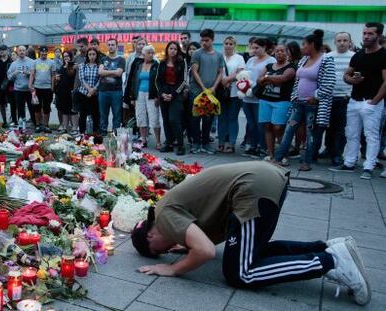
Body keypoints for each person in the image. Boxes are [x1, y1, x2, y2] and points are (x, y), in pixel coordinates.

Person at [131, 161, 371, 307]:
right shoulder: (166, 209)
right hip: (259, 183)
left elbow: (205, 251)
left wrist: (173, 269)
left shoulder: (164, 216)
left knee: (240, 273)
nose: (169, 249)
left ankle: (331, 261)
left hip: (252, 190)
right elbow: (203, 240)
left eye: (161, 251)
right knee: (250, 253)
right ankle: (326, 248)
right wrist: (187, 245)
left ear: (151, 236)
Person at [330, 23, 386, 180]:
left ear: (379, 36)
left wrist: (374, 102)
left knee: (371, 136)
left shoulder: (383, 55)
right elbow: (346, 75)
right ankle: (349, 163)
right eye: (364, 33)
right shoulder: (358, 55)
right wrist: (353, 80)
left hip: (371, 102)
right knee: (351, 134)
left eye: (370, 33)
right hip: (354, 100)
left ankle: (369, 166)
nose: (366, 36)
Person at [275, 30, 336, 171]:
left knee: (311, 134)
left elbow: (329, 82)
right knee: (289, 130)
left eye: (304, 44)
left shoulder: (326, 59)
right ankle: (278, 158)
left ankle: (307, 161)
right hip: (298, 102)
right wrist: (295, 96)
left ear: (312, 44)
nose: (302, 47)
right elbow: (298, 80)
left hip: (313, 105)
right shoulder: (303, 60)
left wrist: (316, 96)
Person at [319, 32, 355, 166]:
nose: (342, 43)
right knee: (329, 126)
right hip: (329, 97)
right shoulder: (327, 57)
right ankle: (328, 149)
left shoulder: (354, 57)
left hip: (345, 97)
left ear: (350, 42)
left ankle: (337, 154)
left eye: (345, 40)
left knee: (341, 128)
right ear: (335, 42)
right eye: (339, 40)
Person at [257, 44, 296, 161]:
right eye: (277, 51)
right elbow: (259, 80)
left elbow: (283, 79)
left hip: (282, 102)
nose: (279, 53)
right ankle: (271, 154)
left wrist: (267, 78)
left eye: (282, 51)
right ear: (274, 52)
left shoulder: (291, 67)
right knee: (268, 126)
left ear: (287, 53)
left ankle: (283, 155)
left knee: (279, 128)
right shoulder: (268, 65)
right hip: (265, 100)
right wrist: (269, 79)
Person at [190, 28, 224, 155]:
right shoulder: (197, 53)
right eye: (202, 40)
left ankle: (205, 143)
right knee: (195, 118)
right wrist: (204, 88)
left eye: (207, 40)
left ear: (213, 40)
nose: (204, 43)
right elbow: (194, 71)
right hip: (196, 91)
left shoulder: (219, 55)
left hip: (211, 92)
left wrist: (214, 87)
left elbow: (220, 73)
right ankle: (196, 143)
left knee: (208, 119)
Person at [242, 38, 276, 158]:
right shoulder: (251, 60)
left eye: (257, 48)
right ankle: (253, 146)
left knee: (261, 124)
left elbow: (270, 78)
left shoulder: (271, 60)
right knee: (251, 124)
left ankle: (263, 148)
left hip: (260, 97)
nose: (254, 50)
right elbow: (244, 76)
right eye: (253, 48)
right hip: (247, 97)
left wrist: (256, 88)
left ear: (264, 47)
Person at [124, 45, 160, 148]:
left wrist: (158, 96)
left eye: (152, 53)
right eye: (149, 53)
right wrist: (132, 97)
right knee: (140, 117)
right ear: (143, 55)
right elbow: (133, 81)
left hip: (152, 95)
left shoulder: (156, 65)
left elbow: (159, 82)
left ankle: (158, 142)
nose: (151, 55)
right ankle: (143, 140)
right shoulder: (138, 65)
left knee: (154, 119)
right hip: (139, 94)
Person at [156, 41, 187, 156]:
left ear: (178, 51)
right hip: (164, 92)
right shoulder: (162, 63)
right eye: (171, 48)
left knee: (174, 119)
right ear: (167, 50)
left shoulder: (181, 62)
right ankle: (168, 143)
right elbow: (158, 80)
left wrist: (173, 94)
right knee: (166, 120)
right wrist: (162, 93)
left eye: (175, 49)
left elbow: (183, 81)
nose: (173, 51)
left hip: (176, 93)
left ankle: (180, 144)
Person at [217, 36, 245, 153]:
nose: (228, 46)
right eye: (226, 43)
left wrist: (227, 79)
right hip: (221, 91)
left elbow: (240, 72)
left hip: (234, 92)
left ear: (234, 46)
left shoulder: (239, 58)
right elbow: (216, 71)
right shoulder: (219, 57)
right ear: (223, 45)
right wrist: (222, 81)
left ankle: (231, 143)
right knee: (221, 117)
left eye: (231, 44)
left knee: (233, 118)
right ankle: (221, 141)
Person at [98, 38, 125, 135]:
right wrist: (113, 72)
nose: (111, 46)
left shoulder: (121, 60)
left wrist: (107, 72)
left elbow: (119, 73)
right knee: (103, 115)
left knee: (117, 115)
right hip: (103, 91)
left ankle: (115, 134)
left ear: (117, 46)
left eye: (113, 44)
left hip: (116, 92)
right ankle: (103, 133)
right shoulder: (103, 59)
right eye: (109, 45)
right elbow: (100, 72)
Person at [285, 41, 306, 159]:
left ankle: (297, 147)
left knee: (297, 124)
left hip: (296, 96)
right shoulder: (291, 61)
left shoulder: (299, 62)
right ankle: (293, 146)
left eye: (288, 50)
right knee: (293, 123)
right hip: (290, 95)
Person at [29, 46, 56, 133]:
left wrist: (52, 87)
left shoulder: (51, 62)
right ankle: (38, 125)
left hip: (47, 88)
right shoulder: (35, 62)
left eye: (45, 52)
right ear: (39, 52)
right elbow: (32, 74)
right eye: (42, 52)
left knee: (46, 108)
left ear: (47, 53)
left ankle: (46, 125)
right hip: (37, 88)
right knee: (37, 107)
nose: (44, 53)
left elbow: (53, 75)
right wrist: (30, 84)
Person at [7, 46, 35, 130]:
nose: (22, 52)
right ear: (17, 52)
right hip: (18, 90)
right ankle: (22, 125)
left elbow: (36, 74)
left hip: (29, 89)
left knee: (32, 107)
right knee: (20, 108)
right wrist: (14, 74)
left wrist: (29, 74)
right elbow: (9, 77)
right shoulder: (14, 63)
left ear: (26, 51)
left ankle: (35, 123)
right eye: (20, 50)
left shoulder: (32, 62)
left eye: (23, 50)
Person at [76, 47, 101, 134]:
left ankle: (95, 133)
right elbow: (82, 79)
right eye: (90, 54)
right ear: (87, 55)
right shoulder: (82, 65)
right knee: (83, 114)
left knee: (95, 114)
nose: (92, 56)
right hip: (83, 93)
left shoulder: (99, 66)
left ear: (96, 55)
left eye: (93, 54)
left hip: (95, 94)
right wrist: (89, 90)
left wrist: (93, 90)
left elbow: (100, 80)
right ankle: (82, 133)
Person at [55, 50, 78, 135]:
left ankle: (75, 127)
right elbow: (60, 77)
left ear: (71, 56)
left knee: (73, 110)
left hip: (71, 91)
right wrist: (57, 78)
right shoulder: (62, 66)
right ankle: (65, 127)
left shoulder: (74, 65)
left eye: (67, 56)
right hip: (62, 92)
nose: (66, 58)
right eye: (64, 56)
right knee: (64, 110)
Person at [183, 42, 201, 146]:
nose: (191, 51)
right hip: (185, 93)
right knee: (187, 116)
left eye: (194, 49)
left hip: (196, 92)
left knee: (195, 117)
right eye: (190, 49)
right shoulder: (185, 61)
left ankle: (196, 138)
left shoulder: (200, 62)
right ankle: (190, 137)